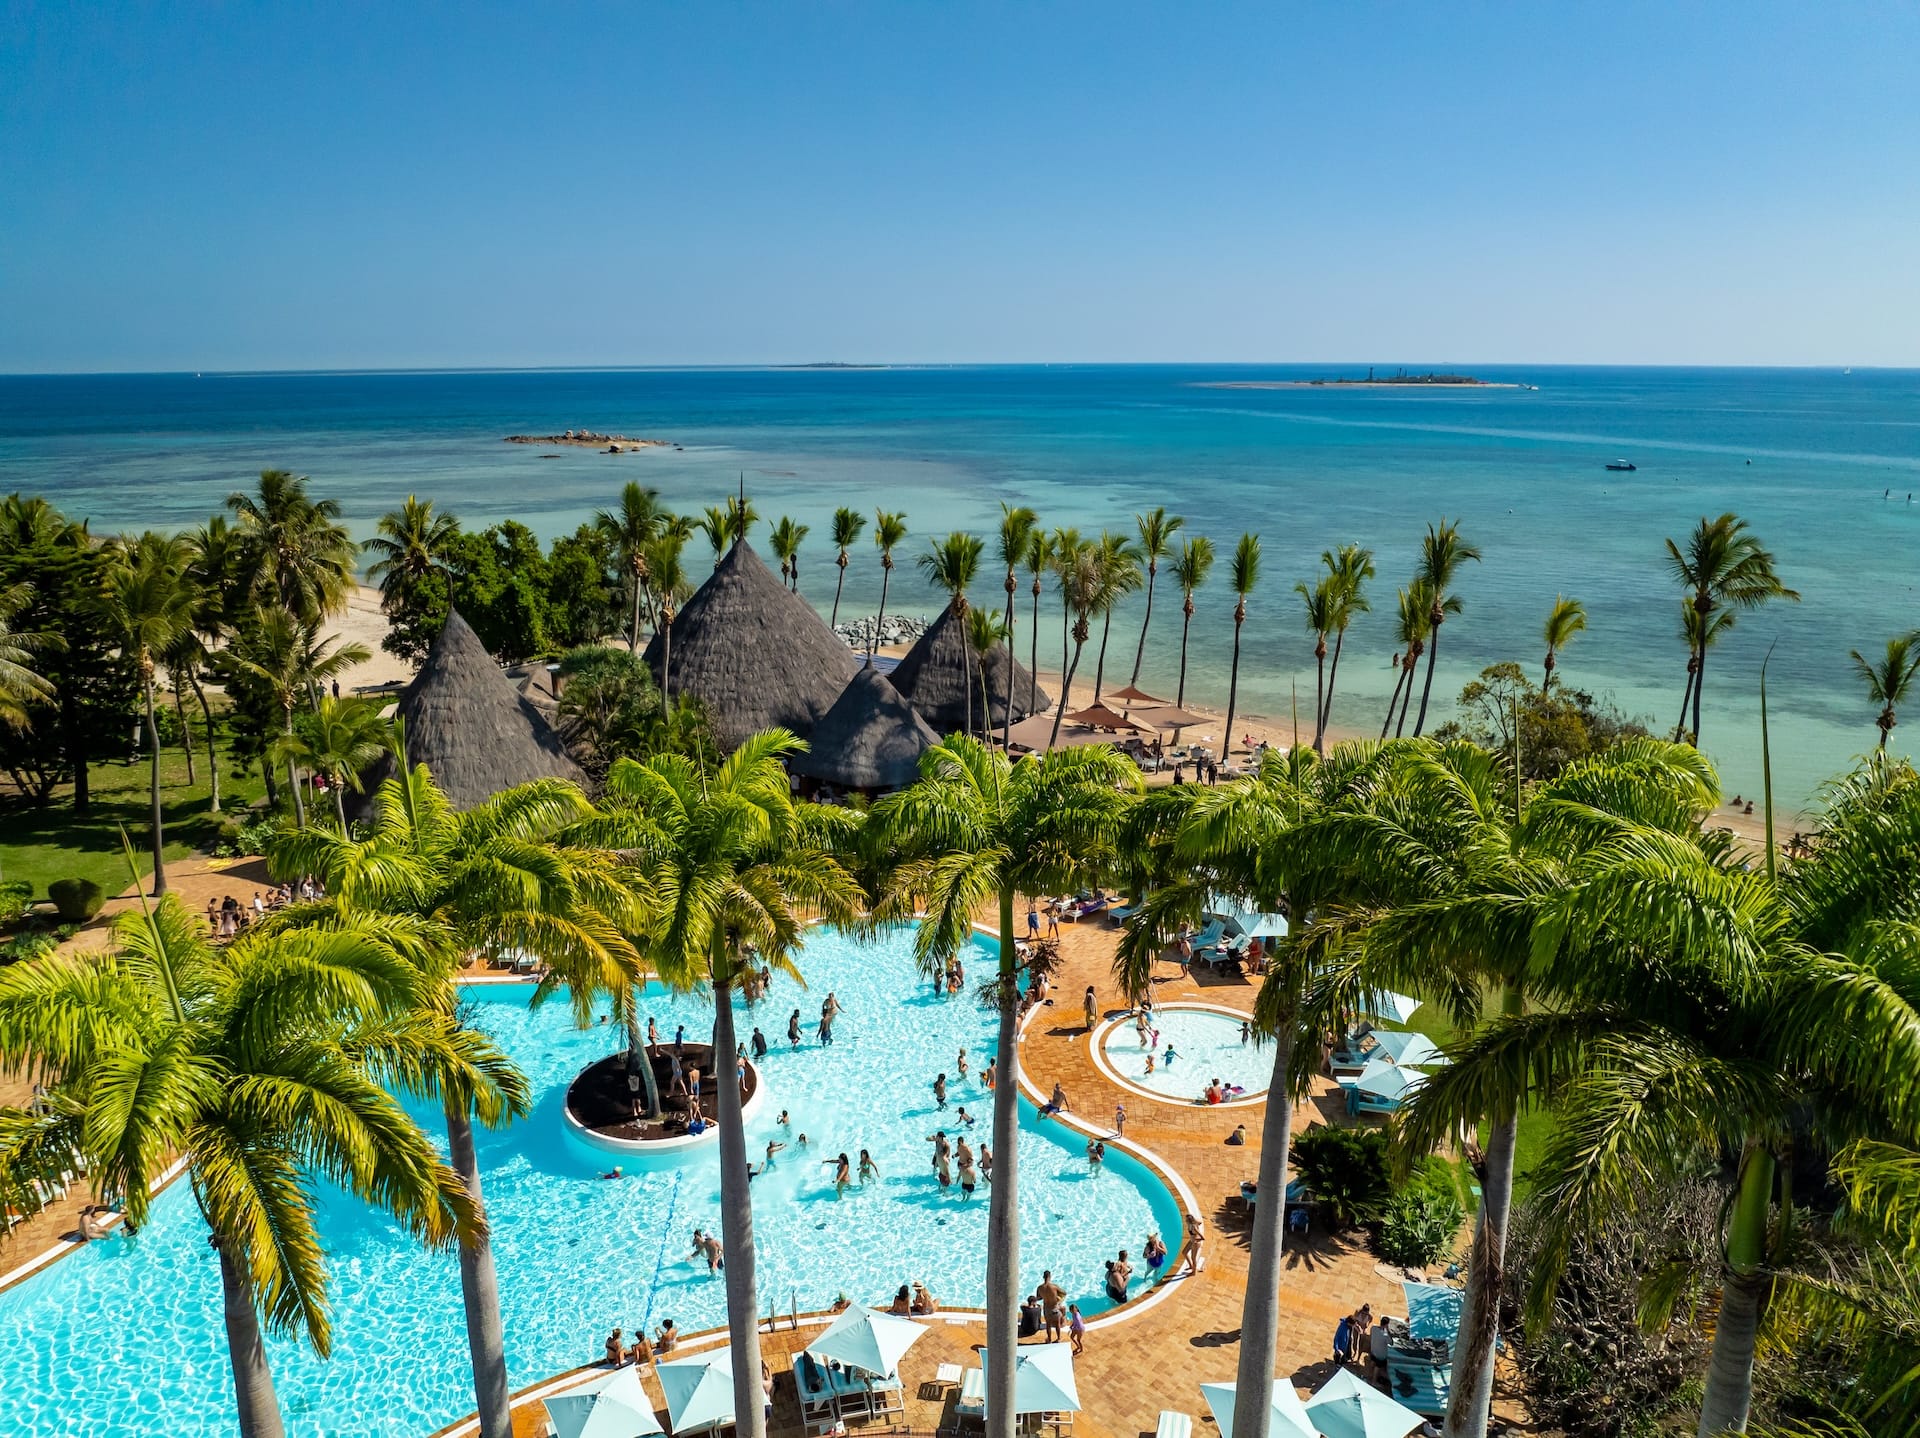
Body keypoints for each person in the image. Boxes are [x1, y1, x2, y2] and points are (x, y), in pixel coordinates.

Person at [1037, 1271, 1066, 1342]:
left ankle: (1049, 1339)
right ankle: (1058, 1338)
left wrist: (1045, 1296)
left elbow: (1038, 1298)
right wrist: (1057, 1296)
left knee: (1048, 1324)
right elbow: (1064, 1293)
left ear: (1043, 1277)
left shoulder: (1039, 1288)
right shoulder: (1054, 1287)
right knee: (1057, 1324)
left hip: (1047, 1309)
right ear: (1050, 1277)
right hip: (1055, 1308)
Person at [1179, 1211, 1205, 1275]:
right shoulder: (1191, 1225)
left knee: (1193, 1258)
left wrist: (1195, 1239)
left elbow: (1203, 1238)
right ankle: (1191, 1266)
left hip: (1195, 1243)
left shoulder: (1194, 1227)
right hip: (1191, 1241)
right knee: (1184, 1252)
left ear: (1189, 1220)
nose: (1185, 1220)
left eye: (1186, 1219)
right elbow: (1200, 1222)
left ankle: (1194, 1272)